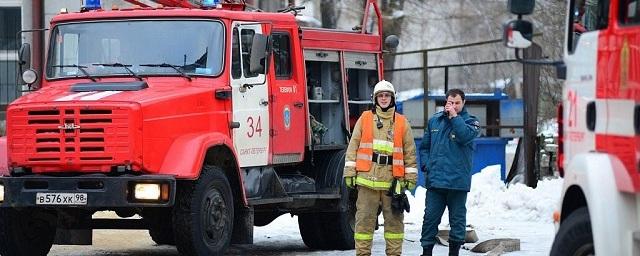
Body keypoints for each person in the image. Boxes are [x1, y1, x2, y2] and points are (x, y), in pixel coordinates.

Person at [343, 80, 418, 256]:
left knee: (394, 226)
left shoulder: (402, 122)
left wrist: (410, 179)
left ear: (392, 99)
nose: (384, 98)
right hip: (367, 182)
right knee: (363, 224)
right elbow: (353, 147)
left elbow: (410, 153)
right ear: (375, 99)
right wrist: (349, 172)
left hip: (393, 185)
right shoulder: (365, 119)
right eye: (380, 96)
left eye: (387, 95)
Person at [419, 89, 480, 256]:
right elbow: (424, 147)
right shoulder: (434, 121)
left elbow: (464, 136)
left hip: (457, 183)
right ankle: (426, 252)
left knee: (457, 221)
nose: (452, 106)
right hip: (436, 182)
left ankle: (454, 253)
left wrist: (454, 117)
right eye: (450, 102)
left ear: (463, 103)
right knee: (430, 219)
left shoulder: (471, 122)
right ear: (445, 102)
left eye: (457, 103)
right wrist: (426, 166)